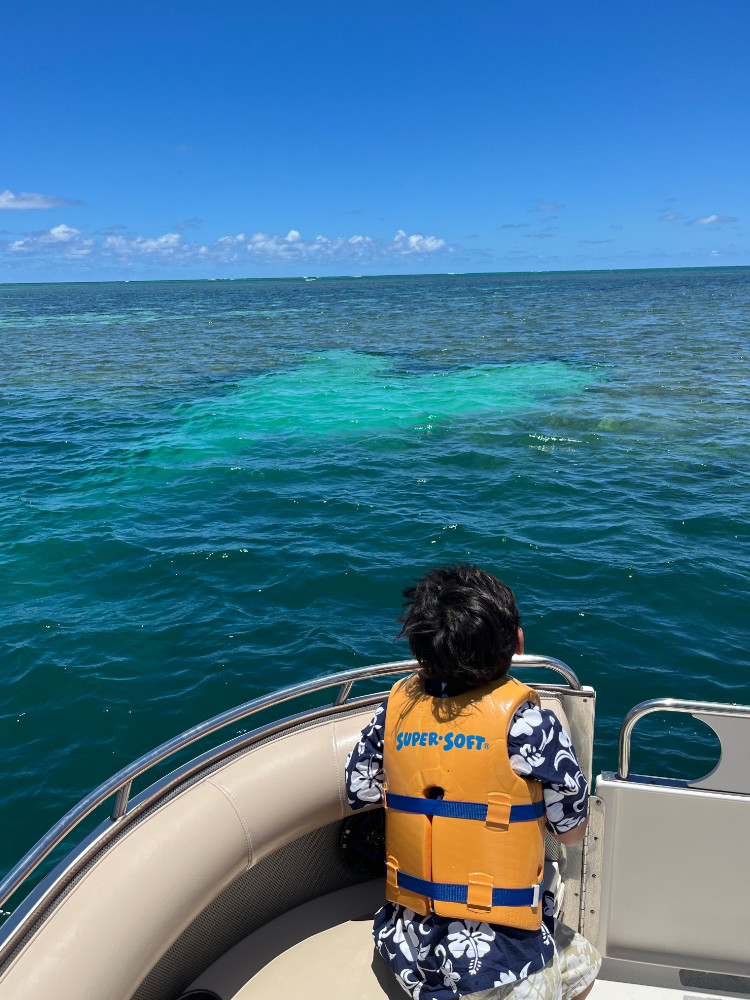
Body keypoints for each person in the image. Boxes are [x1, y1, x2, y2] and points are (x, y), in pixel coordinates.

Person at [345, 564, 601, 1000]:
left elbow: (362, 789)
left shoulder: (394, 712)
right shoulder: (530, 726)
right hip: (504, 960)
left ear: (419, 650)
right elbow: (573, 834)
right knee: (588, 964)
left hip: (410, 946)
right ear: (517, 645)